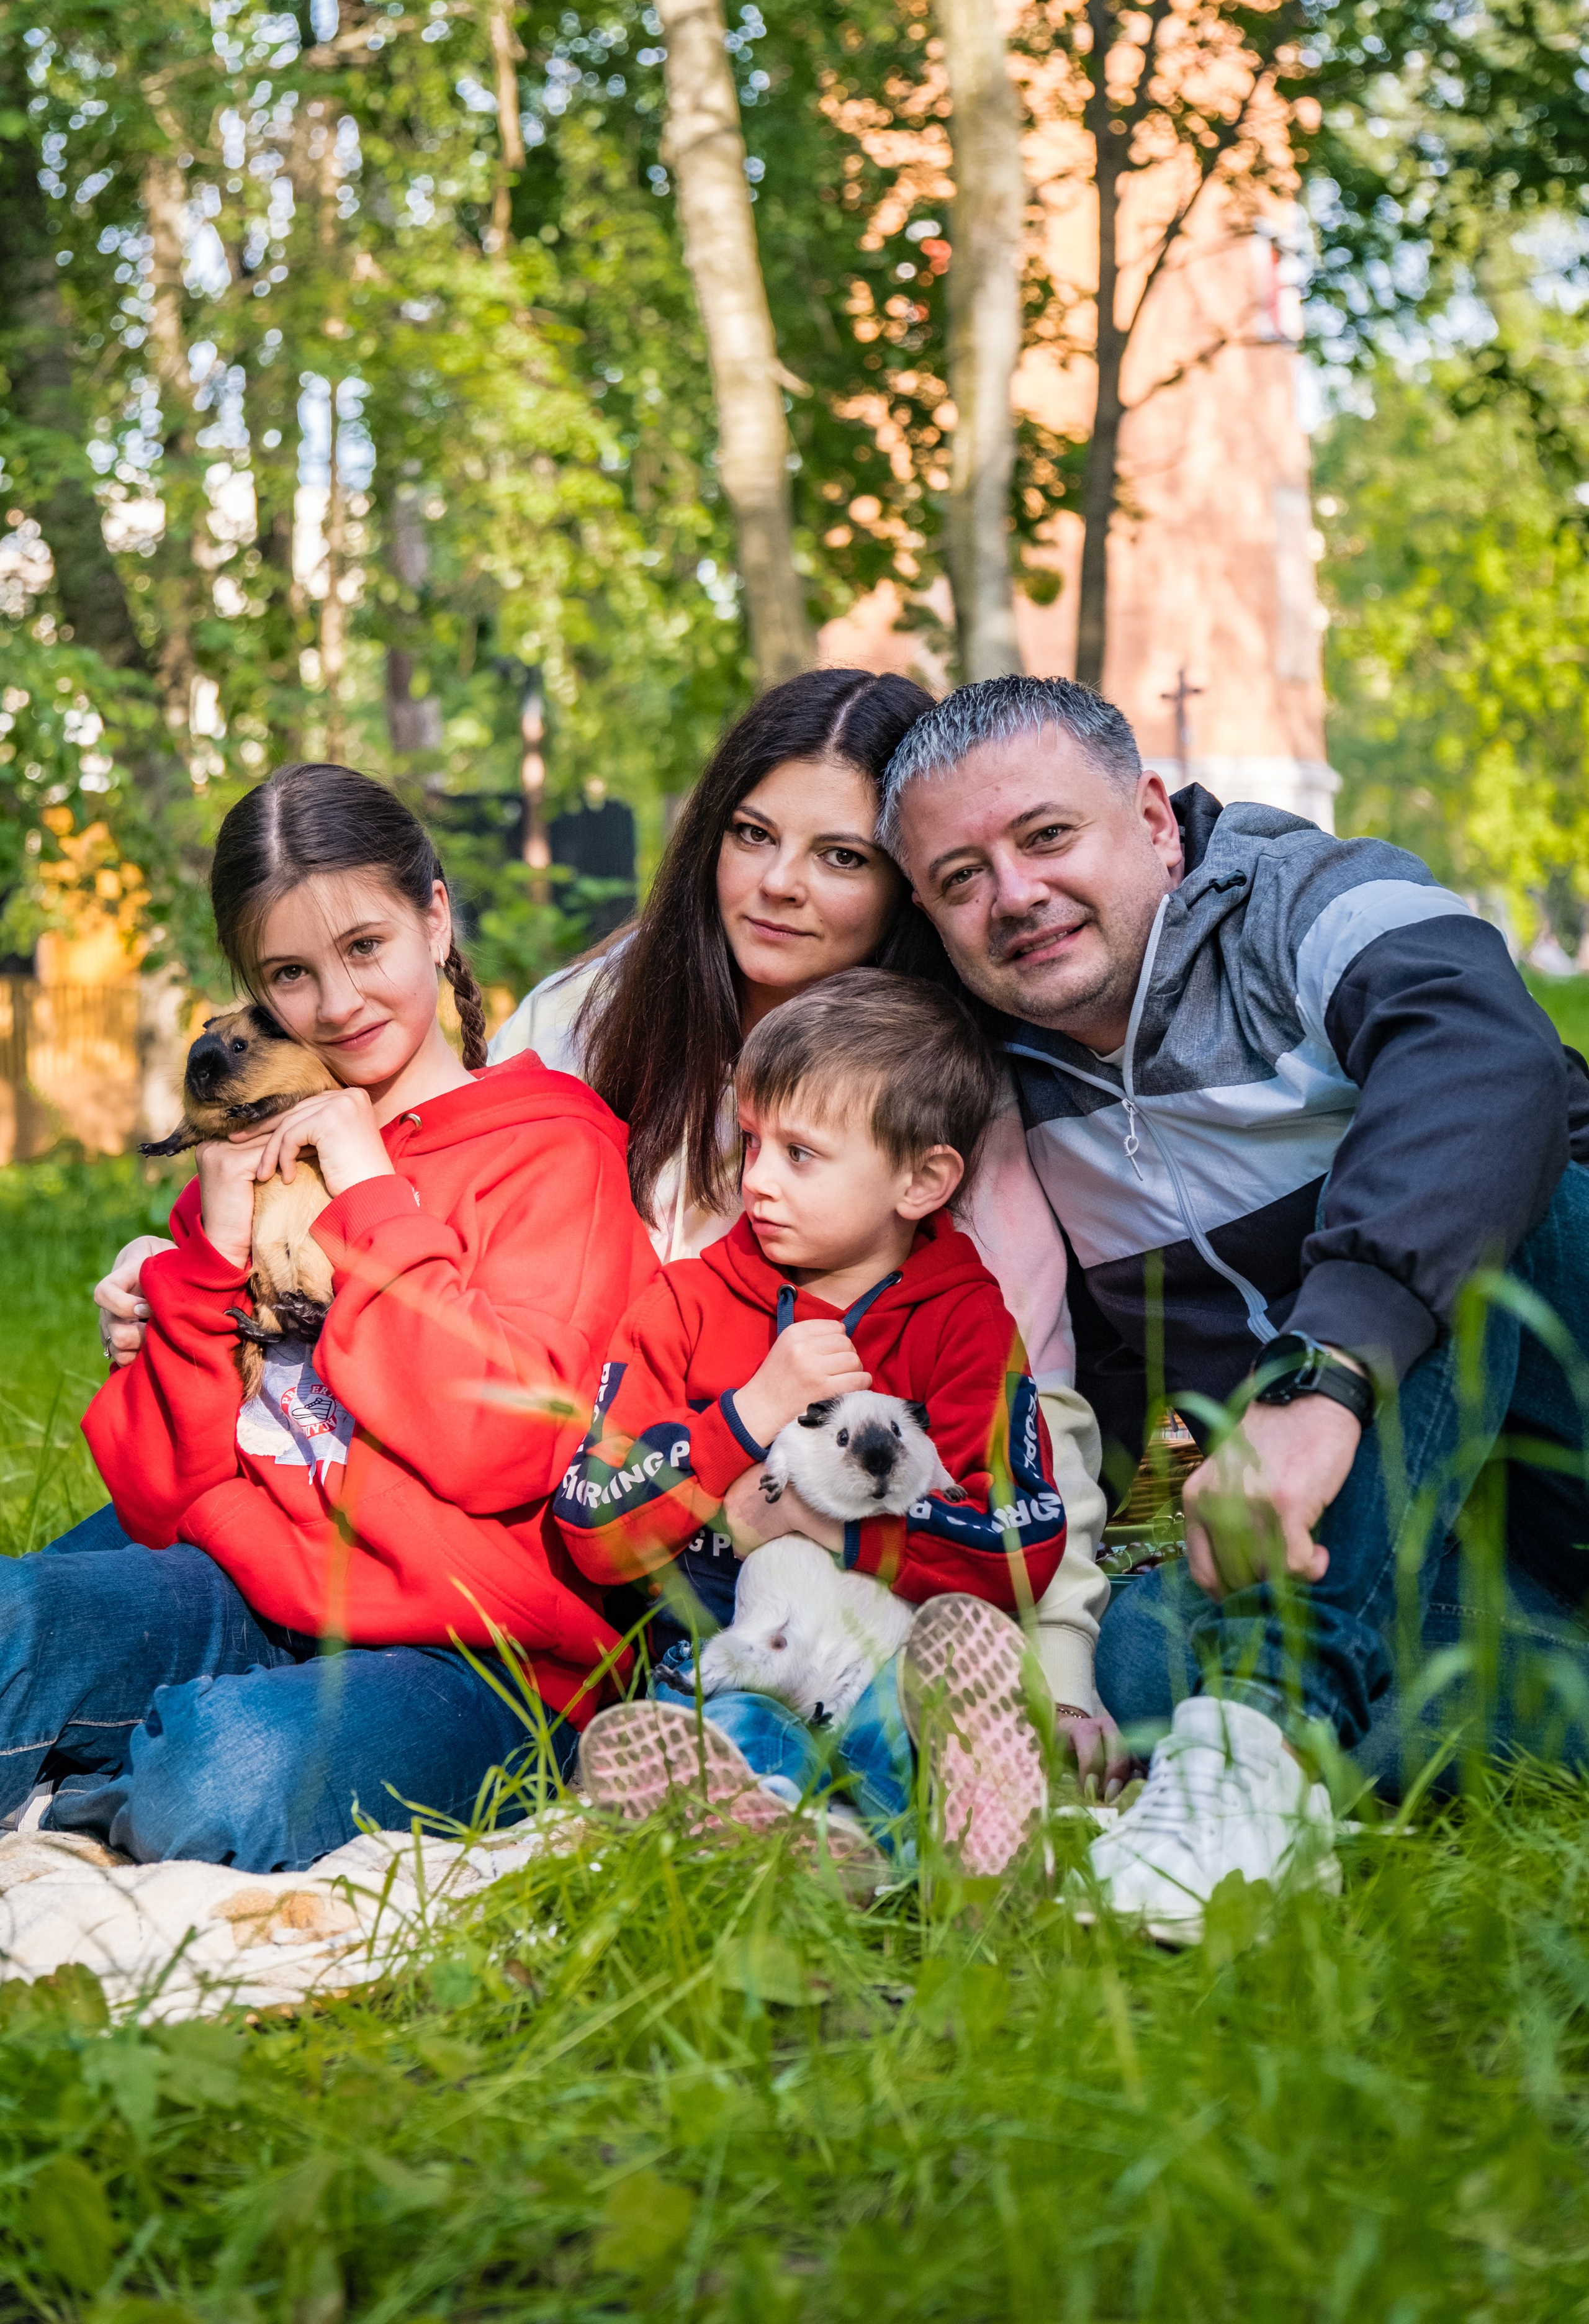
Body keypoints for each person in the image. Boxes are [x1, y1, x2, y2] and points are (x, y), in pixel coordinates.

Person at [94, 673, 1121, 1785]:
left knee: (230, 1762)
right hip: (560, 1505)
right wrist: (191, 1266)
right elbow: (438, 1198)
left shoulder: (943, 1101)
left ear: (903, 889)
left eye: (840, 857)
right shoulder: (597, 1011)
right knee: (72, 1614)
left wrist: (1062, 1671)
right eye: (752, 834)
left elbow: (1026, 1405)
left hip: (736, 1552)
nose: (779, 885)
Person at [880, 671, 1589, 1939]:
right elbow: (1109, 1396)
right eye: (959, 878)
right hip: (1437, 1534)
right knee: (1147, 1651)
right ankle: (1287, 1749)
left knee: (1486, 1198)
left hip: (1549, 1370)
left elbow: (1482, 1060)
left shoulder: (1302, 904)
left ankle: (1253, 1743)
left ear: (1151, 819)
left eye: (1046, 836)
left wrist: (1323, 1379)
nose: (1015, 896)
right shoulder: (1010, 1088)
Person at [0, 763, 657, 1870]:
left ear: (435, 917)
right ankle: (121, 1764)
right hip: (246, 1589)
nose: (340, 1004)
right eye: (291, 975)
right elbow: (163, 1494)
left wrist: (368, 1192)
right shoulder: (248, 1161)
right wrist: (206, 1254)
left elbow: (504, 1446)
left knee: (226, 1776)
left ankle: (113, 1772)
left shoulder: (555, 1151)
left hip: (473, 1658)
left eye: (365, 949)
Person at [556, 970, 1067, 1876]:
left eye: (801, 1154)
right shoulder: (684, 1305)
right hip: (730, 1658)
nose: (756, 1181)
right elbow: (593, 1522)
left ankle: (972, 1846)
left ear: (922, 1179)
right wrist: (747, 1414)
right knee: (713, 1738)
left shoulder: (966, 1322)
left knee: (911, 1712)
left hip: (889, 1656)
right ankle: (799, 1853)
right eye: (751, 1142)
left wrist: (827, 1527)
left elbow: (1024, 1542)